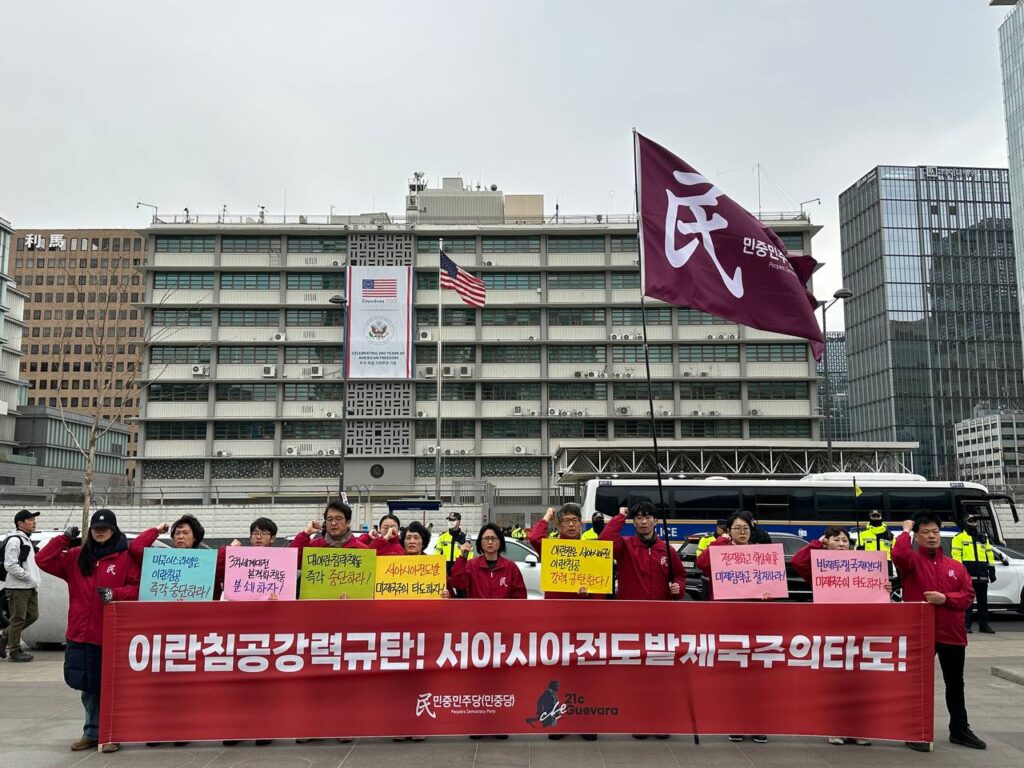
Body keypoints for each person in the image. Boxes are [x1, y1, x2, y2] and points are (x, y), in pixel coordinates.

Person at [35, 509, 164, 754]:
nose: (100, 532)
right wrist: (63, 538)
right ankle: (92, 733)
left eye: (105, 529)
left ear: (114, 530)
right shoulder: (76, 556)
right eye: (96, 529)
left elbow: (139, 588)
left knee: (112, 688)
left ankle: (111, 734)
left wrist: (115, 594)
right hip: (81, 634)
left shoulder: (126, 558)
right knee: (89, 687)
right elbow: (43, 560)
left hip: (113, 634)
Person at [892, 513, 986, 752]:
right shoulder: (911, 563)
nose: (931, 536)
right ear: (917, 537)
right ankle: (913, 731)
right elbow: (899, 554)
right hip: (921, 633)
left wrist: (945, 598)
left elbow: (968, 596)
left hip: (951, 634)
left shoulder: (955, 566)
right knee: (916, 684)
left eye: (935, 531)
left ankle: (959, 729)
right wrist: (905, 531)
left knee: (955, 684)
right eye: (925, 532)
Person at [792, 526, 890, 747]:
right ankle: (835, 727)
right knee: (834, 681)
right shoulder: (818, 568)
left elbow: (876, 592)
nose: (842, 544)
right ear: (827, 542)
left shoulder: (861, 566)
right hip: (831, 629)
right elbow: (798, 562)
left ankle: (858, 728)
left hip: (859, 630)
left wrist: (884, 586)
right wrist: (818, 543)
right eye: (836, 540)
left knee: (859, 680)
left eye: (845, 540)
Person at [601, 502, 684, 740]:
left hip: (661, 623)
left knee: (660, 674)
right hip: (632, 622)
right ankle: (639, 720)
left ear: (656, 521)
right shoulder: (625, 546)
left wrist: (678, 588)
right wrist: (620, 516)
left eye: (648, 517)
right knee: (636, 674)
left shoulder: (666, 550)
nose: (643, 521)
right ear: (633, 522)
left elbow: (680, 575)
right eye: (638, 518)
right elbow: (605, 540)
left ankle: (660, 721)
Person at [695, 510, 769, 744]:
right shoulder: (721, 550)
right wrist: (721, 542)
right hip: (728, 621)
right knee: (732, 675)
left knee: (756, 677)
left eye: (746, 528)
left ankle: (757, 724)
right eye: (737, 528)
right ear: (729, 531)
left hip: (755, 621)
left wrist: (768, 595)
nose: (742, 532)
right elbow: (701, 563)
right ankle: (734, 723)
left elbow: (771, 584)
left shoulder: (760, 555)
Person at [528, 503, 597, 741]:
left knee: (584, 674)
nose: (570, 525)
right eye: (566, 521)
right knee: (559, 675)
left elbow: (600, 587)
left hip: (584, 622)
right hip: (558, 619)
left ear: (581, 524)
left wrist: (589, 593)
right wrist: (546, 516)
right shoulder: (552, 548)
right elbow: (534, 537)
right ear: (559, 525)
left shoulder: (591, 550)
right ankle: (558, 721)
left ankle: (586, 722)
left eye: (574, 521)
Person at [216, 517, 277, 747]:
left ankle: (263, 728)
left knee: (263, 682)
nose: (258, 537)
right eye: (255, 533)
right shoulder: (238, 559)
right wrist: (228, 551)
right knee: (238, 680)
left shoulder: (279, 562)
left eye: (264, 533)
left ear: (273, 538)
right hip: (240, 627)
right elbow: (217, 572)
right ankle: (236, 728)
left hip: (268, 630)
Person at [2, 510, 41, 662]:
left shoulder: (26, 539)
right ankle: (15, 650)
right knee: (18, 618)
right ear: (20, 523)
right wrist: (28, 576)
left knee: (32, 615)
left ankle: (4, 637)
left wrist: (33, 581)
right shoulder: (15, 540)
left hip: (29, 586)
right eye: (30, 519)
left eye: (33, 519)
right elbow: (10, 565)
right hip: (18, 587)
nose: (34, 522)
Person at [450, 523, 527, 599]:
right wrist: (462, 558)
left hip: (502, 608)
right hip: (478, 607)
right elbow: (457, 584)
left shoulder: (511, 567)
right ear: (481, 542)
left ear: (500, 541)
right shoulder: (471, 565)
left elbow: (520, 597)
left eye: (493, 538)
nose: (490, 542)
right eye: (486, 538)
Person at [952, 514, 997, 635]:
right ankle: (966, 625)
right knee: (968, 601)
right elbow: (956, 556)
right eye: (971, 521)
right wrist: (960, 572)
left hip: (982, 573)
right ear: (965, 522)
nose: (973, 523)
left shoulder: (983, 537)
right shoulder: (959, 538)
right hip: (968, 574)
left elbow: (989, 553)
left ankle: (984, 625)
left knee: (983, 602)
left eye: (975, 521)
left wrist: (992, 569)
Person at [290, 498, 368, 553]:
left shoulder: (361, 550)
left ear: (347, 522)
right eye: (329, 519)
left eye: (338, 518)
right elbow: (290, 560)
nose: (333, 523)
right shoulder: (314, 546)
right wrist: (306, 533)